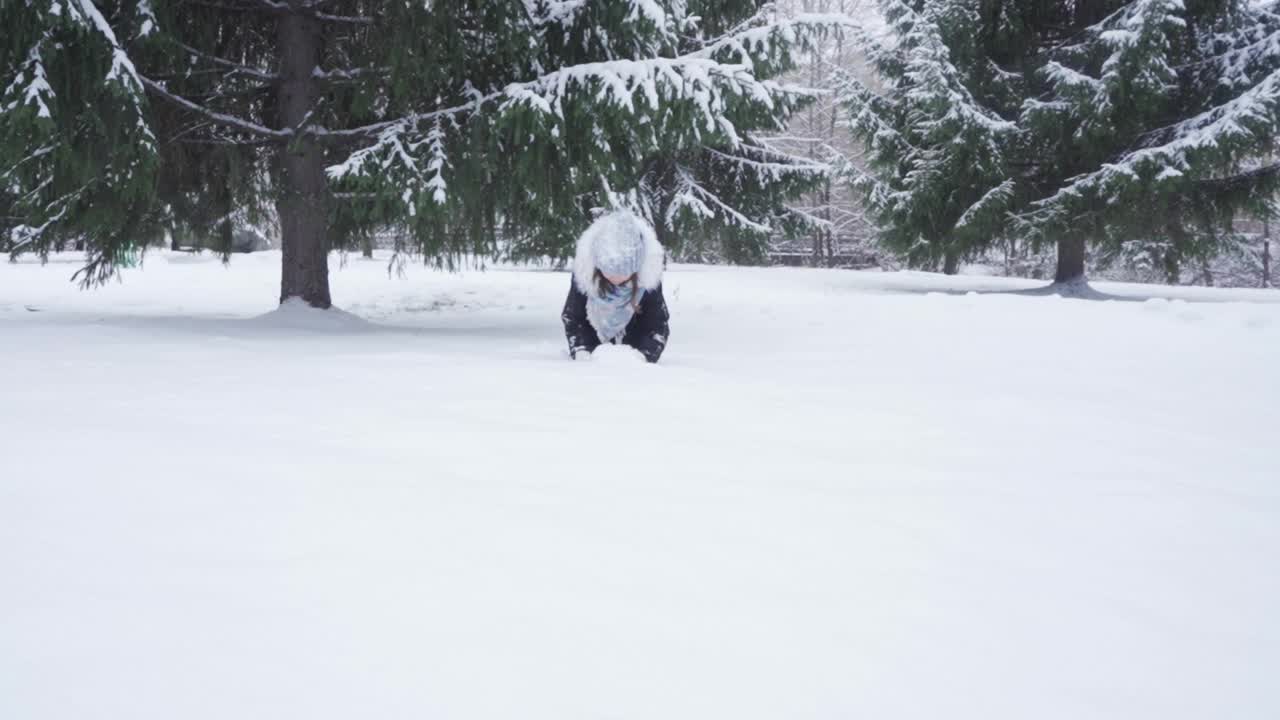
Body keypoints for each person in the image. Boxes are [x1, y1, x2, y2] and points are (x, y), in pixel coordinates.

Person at [561, 210, 670, 363]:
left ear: (637, 268)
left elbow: (657, 324)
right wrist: (582, 351)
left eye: (624, 273)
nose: (616, 279)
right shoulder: (584, 277)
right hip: (593, 361)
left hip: (633, 362)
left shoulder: (647, 281)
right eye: (608, 272)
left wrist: (643, 356)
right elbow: (573, 318)